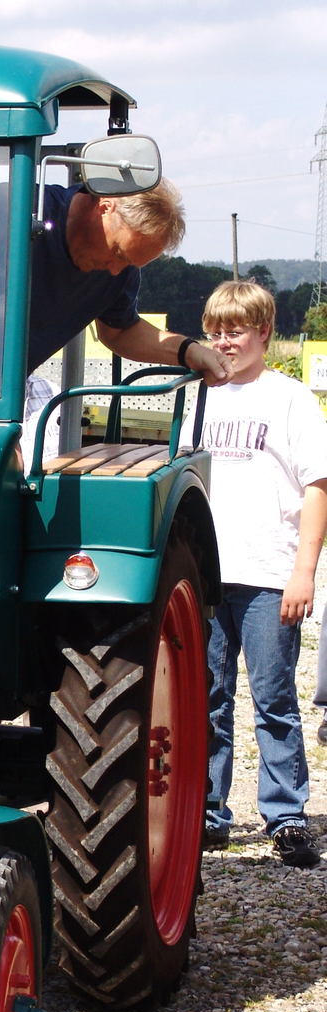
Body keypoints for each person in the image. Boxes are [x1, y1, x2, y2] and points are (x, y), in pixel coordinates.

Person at [0, 178, 231, 396]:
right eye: (118, 252)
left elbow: (120, 331)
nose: (115, 269)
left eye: (130, 265)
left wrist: (190, 352)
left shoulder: (118, 272)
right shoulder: (17, 212)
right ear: (105, 207)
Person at [196, 280, 327, 868]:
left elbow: (318, 485)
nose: (225, 341)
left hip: (270, 571)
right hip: (204, 574)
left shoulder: (291, 398)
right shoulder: (197, 397)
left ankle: (286, 815)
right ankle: (206, 811)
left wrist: (305, 570)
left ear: (264, 333)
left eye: (237, 330)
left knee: (273, 698)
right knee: (207, 698)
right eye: (216, 330)